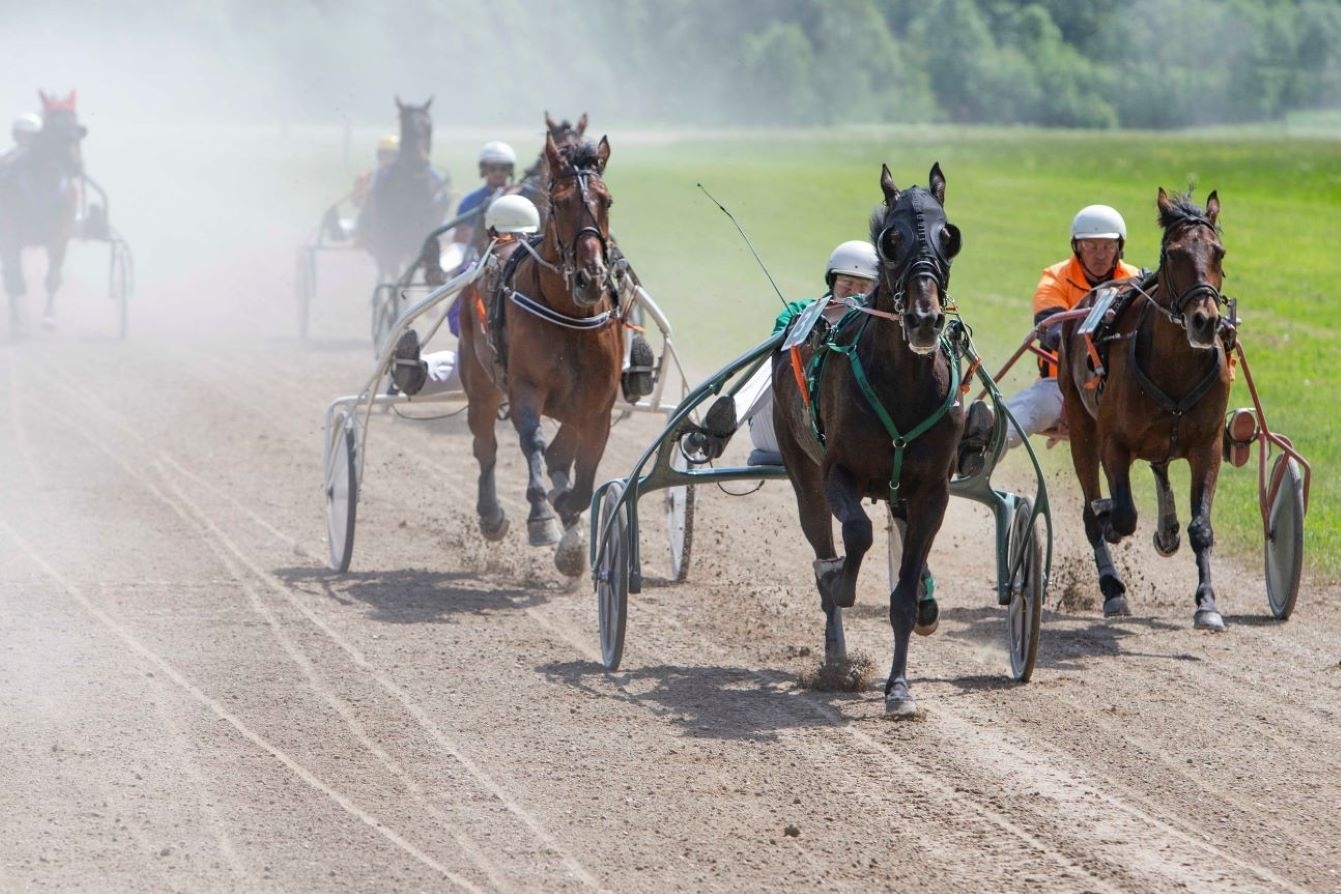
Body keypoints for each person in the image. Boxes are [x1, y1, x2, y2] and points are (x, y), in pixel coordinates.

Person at [962, 203, 1143, 465]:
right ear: (1077, 247)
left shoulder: (1135, 282)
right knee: (1027, 411)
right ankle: (979, 457)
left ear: (1119, 247)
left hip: (1122, 389)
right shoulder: (1055, 278)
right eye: (1091, 246)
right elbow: (1050, 328)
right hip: (1062, 386)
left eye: (1107, 246)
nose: (1100, 254)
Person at [686, 240, 880, 465]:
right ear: (832, 282)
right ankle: (719, 430)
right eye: (847, 284)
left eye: (863, 287)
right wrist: (802, 331)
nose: (853, 293)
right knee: (778, 362)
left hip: (852, 439)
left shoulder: (877, 331)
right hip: (782, 431)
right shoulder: (801, 311)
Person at [390, 194, 540, 397]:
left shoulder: (546, 276)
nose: (515, 247)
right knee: (462, 361)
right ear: (491, 237)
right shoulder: (473, 274)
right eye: (506, 237)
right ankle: (415, 372)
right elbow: (456, 322)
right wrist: (482, 336)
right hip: (487, 356)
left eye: (525, 238)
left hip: (538, 360)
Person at [453, 141, 516, 247]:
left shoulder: (519, 199)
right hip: (473, 251)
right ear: (484, 170)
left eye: (503, 168)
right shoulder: (469, 201)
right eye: (493, 168)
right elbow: (460, 237)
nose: (498, 173)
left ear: (510, 170)